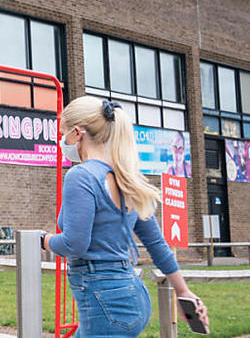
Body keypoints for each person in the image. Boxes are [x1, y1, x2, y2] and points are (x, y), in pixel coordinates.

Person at [42, 96, 209, 336]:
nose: (62, 141)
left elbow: (74, 245)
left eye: (63, 133)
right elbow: (157, 245)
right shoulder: (127, 179)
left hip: (104, 302)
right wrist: (183, 291)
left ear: (77, 133)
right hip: (131, 294)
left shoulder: (81, 176)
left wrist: (43, 239)